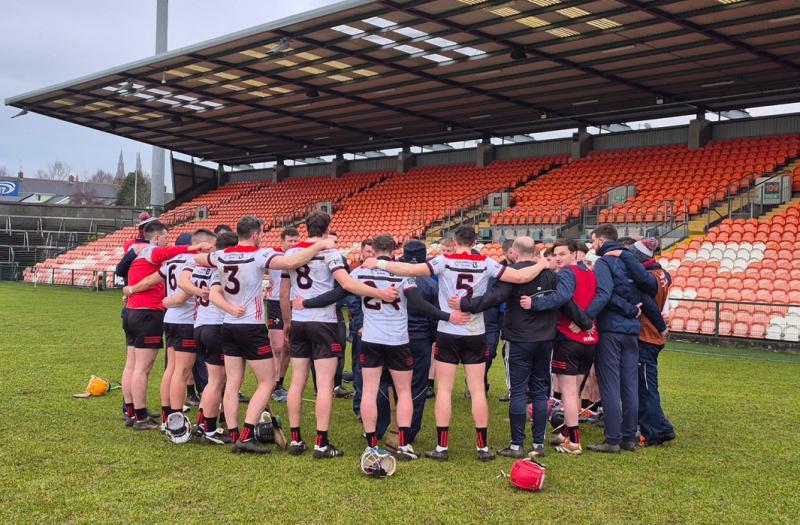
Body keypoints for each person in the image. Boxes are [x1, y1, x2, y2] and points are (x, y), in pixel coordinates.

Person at [361, 226, 548, 462]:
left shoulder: (444, 260)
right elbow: (521, 277)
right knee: (478, 389)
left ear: (454, 241)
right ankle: (482, 447)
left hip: (448, 330)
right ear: (475, 241)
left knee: (445, 390)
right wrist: (542, 264)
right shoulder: (486, 262)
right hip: (474, 331)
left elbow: (409, 269)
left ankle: (442, 447)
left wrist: (378, 264)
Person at [295, 234, 467, 460]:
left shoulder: (359, 272)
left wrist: (306, 303)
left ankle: (371, 443)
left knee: (368, 390)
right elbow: (417, 303)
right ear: (394, 251)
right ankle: (404, 445)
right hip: (397, 340)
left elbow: (338, 293)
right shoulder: (401, 271)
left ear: (373, 251)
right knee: (404, 391)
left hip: (371, 340)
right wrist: (447, 316)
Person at [195, 215, 336, 454]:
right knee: (268, 381)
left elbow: (199, 258)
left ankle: (233, 433)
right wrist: (319, 245)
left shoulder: (221, 255)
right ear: (255, 235)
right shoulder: (259, 255)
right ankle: (247, 434)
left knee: (232, 383)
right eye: (260, 233)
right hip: (250, 326)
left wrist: (201, 249)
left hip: (228, 324)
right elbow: (293, 262)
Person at [455, 237, 591, 458]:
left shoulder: (512, 273)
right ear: (535, 251)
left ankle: (517, 444)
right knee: (540, 392)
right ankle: (537, 444)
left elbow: (492, 298)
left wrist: (464, 304)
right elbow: (566, 303)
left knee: (518, 391)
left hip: (519, 340)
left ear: (515, 252)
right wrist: (586, 323)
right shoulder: (549, 275)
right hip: (545, 340)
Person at [280, 211, 398, 459]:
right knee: (324, 385)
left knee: (297, 381)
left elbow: (284, 290)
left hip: (299, 320)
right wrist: (380, 294)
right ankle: (321, 443)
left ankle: (295, 439)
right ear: (327, 229)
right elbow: (347, 285)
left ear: (305, 228)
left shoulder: (291, 254)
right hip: (323, 322)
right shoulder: (331, 253)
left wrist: (288, 321)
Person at [122, 221, 213, 430]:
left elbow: (150, 280)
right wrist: (175, 300)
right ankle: (172, 419)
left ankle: (159, 414)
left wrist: (131, 290)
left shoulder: (170, 262)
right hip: (180, 319)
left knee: (168, 369)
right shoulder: (189, 259)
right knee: (174, 371)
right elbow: (184, 288)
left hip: (166, 318)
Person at [584, 224, 658, 453]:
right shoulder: (631, 259)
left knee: (610, 384)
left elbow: (605, 295)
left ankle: (613, 438)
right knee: (629, 383)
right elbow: (650, 286)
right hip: (632, 330)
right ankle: (629, 436)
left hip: (612, 328)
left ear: (601, 241)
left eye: (593, 241)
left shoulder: (605, 262)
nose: (592, 245)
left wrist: (584, 320)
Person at [523, 239, 598, 455]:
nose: (558, 258)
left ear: (575, 255)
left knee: (569, 393)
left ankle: (573, 442)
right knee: (574, 390)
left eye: (563, 254)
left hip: (568, 339)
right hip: (589, 340)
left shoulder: (566, 274)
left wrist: (535, 304)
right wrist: (588, 323)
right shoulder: (590, 273)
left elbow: (564, 299)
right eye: (555, 254)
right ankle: (565, 433)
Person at [182, 231, 239, 444]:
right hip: (217, 327)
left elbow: (183, 282)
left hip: (200, 326)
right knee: (218, 381)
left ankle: (203, 421)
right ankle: (210, 429)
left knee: (213, 381)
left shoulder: (198, 266)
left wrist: (197, 291)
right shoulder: (223, 268)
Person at [627, 238, 675, 447]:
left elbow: (648, 304)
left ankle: (653, 433)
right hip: (652, 336)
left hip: (647, 335)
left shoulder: (646, 277)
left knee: (646, 389)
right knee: (647, 387)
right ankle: (662, 427)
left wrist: (661, 326)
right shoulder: (662, 273)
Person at [266, 227, 300, 403]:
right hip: (274, 303)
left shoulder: (301, 256)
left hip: (294, 304)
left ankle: (279, 383)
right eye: (290, 241)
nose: (293, 244)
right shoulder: (273, 255)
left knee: (288, 346)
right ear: (282, 242)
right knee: (277, 346)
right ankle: (270, 383)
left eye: (296, 241)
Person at [347, 239, 374, 419]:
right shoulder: (356, 273)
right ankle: (359, 406)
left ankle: (376, 404)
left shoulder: (386, 270)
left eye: (373, 252)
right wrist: (359, 325)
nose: (370, 255)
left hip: (381, 328)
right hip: (363, 327)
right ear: (362, 253)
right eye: (367, 252)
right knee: (359, 366)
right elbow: (353, 303)